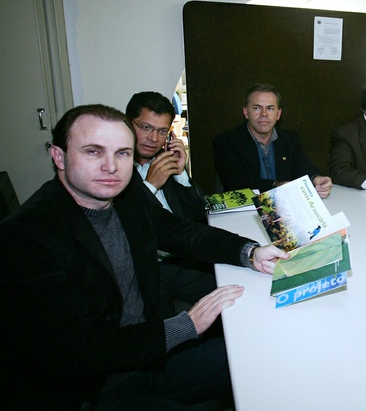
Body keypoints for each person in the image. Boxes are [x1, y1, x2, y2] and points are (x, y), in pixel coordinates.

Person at [0, 104, 287, 409]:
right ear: (59, 156)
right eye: (93, 152)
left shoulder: (127, 195)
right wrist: (185, 325)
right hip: (93, 389)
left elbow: (181, 232)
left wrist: (249, 252)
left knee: (268, 357)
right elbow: (73, 352)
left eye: (122, 153)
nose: (111, 167)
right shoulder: (25, 236)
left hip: (149, 359)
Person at [127, 91, 215, 319]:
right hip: (146, 269)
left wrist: (181, 175)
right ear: (128, 124)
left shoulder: (164, 160)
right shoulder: (115, 167)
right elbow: (126, 229)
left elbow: (197, 215)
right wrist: (150, 187)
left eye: (162, 131)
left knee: (238, 289)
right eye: (145, 128)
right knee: (161, 329)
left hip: (183, 260)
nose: (153, 138)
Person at [213, 83, 332, 197]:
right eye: (257, 108)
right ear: (246, 112)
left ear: (278, 114)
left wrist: (316, 178)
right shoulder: (226, 142)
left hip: (283, 208)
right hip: (244, 210)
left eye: (270, 108)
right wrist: (276, 185)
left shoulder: (290, 139)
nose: (264, 114)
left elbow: (302, 165)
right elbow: (236, 182)